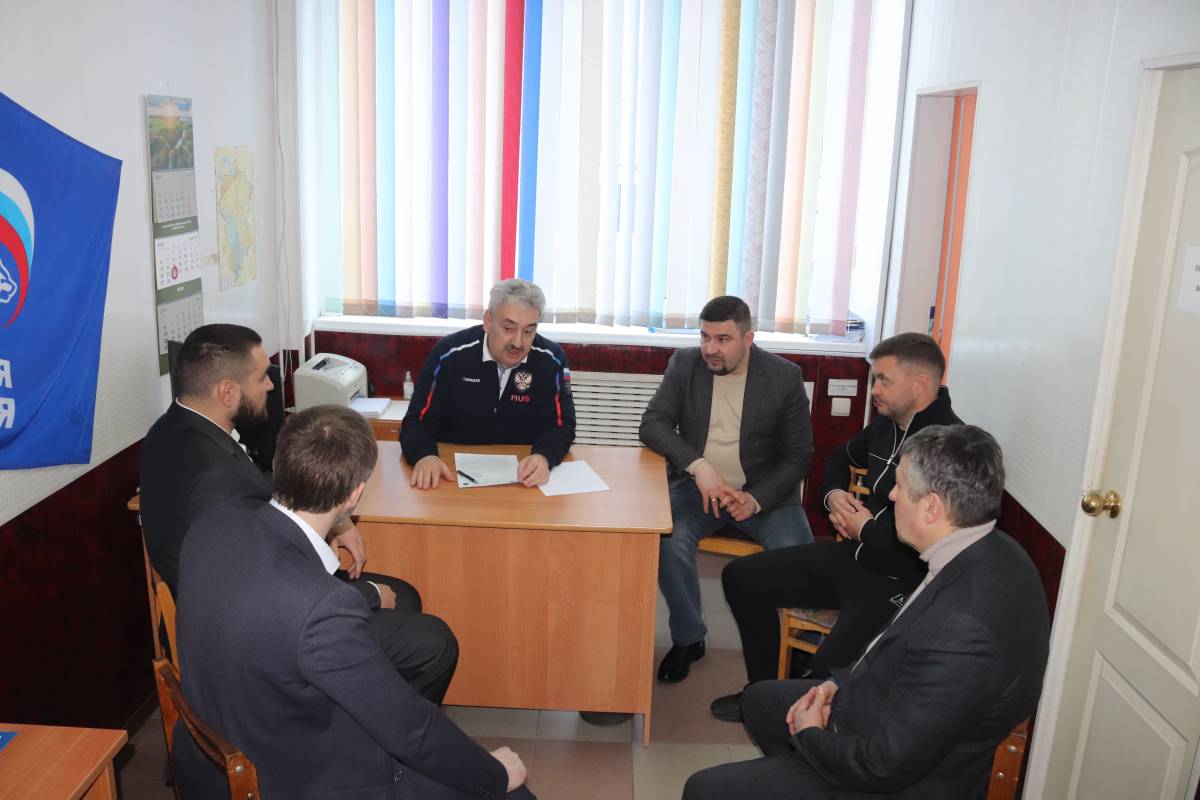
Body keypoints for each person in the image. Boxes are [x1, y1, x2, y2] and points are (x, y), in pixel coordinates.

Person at [173, 405, 535, 799]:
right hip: (289, 780)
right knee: (513, 793)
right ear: (353, 496)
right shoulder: (324, 608)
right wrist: (494, 774)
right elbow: (411, 730)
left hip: (215, 755)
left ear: (279, 465)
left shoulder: (210, 526)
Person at [684, 424, 1050, 799]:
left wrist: (811, 735)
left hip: (901, 781)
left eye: (900, 487)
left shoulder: (964, 630)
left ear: (931, 507)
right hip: (889, 707)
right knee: (760, 703)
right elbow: (890, 644)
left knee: (702, 790)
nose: (890, 495)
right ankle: (800, 773)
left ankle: (807, 775)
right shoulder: (991, 548)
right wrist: (837, 685)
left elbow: (883, 765)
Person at [140, 323, 458, 703]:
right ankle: (368, 731)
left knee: (404, 596)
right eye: (262, 377)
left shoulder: (175, 430)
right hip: (253, 632)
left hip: (242, 595)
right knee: (434, 644)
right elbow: (268, 585)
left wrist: (338, 520)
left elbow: (264, 486)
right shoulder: (214, 482)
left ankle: (363, 705)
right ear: (227, 392)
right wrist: (368, 595)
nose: (270, 386)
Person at [712, 332, 960, 720]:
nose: (874, 390)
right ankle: (764, 691)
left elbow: (925, 552)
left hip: (900, 580)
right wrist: (833, 496)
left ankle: (795, 705)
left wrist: (865, 530)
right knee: (741, 577)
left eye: (883, 380)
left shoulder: (948, 447)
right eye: (874, 379)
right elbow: (840, 456)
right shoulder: (889, 424)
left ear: (920, 383)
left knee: (824, 673)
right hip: (858, 555)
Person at [640, 295, 814, 684]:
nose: (710, 349)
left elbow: (799, 455)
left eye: (722, 339)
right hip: (698, 490)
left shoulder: (784, 376)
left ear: (748, 338)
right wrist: (698, 466)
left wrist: (757, 499)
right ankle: (689, 638)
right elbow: (652, 423)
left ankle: (802, 648)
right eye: (705, 337)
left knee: (800, 557)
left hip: (764, 494)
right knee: (669, 539)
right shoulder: (685, 364)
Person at [401, 279, 575, 489]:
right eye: (508, 328)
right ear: (488, 321)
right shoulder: (449, 354)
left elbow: (561, 424)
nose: (518, 342)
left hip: (522, 479)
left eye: (528, 331)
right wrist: (424, 456)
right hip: (451, 475)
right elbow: (417, 420)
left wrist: (544, 456)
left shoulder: (552, 359)